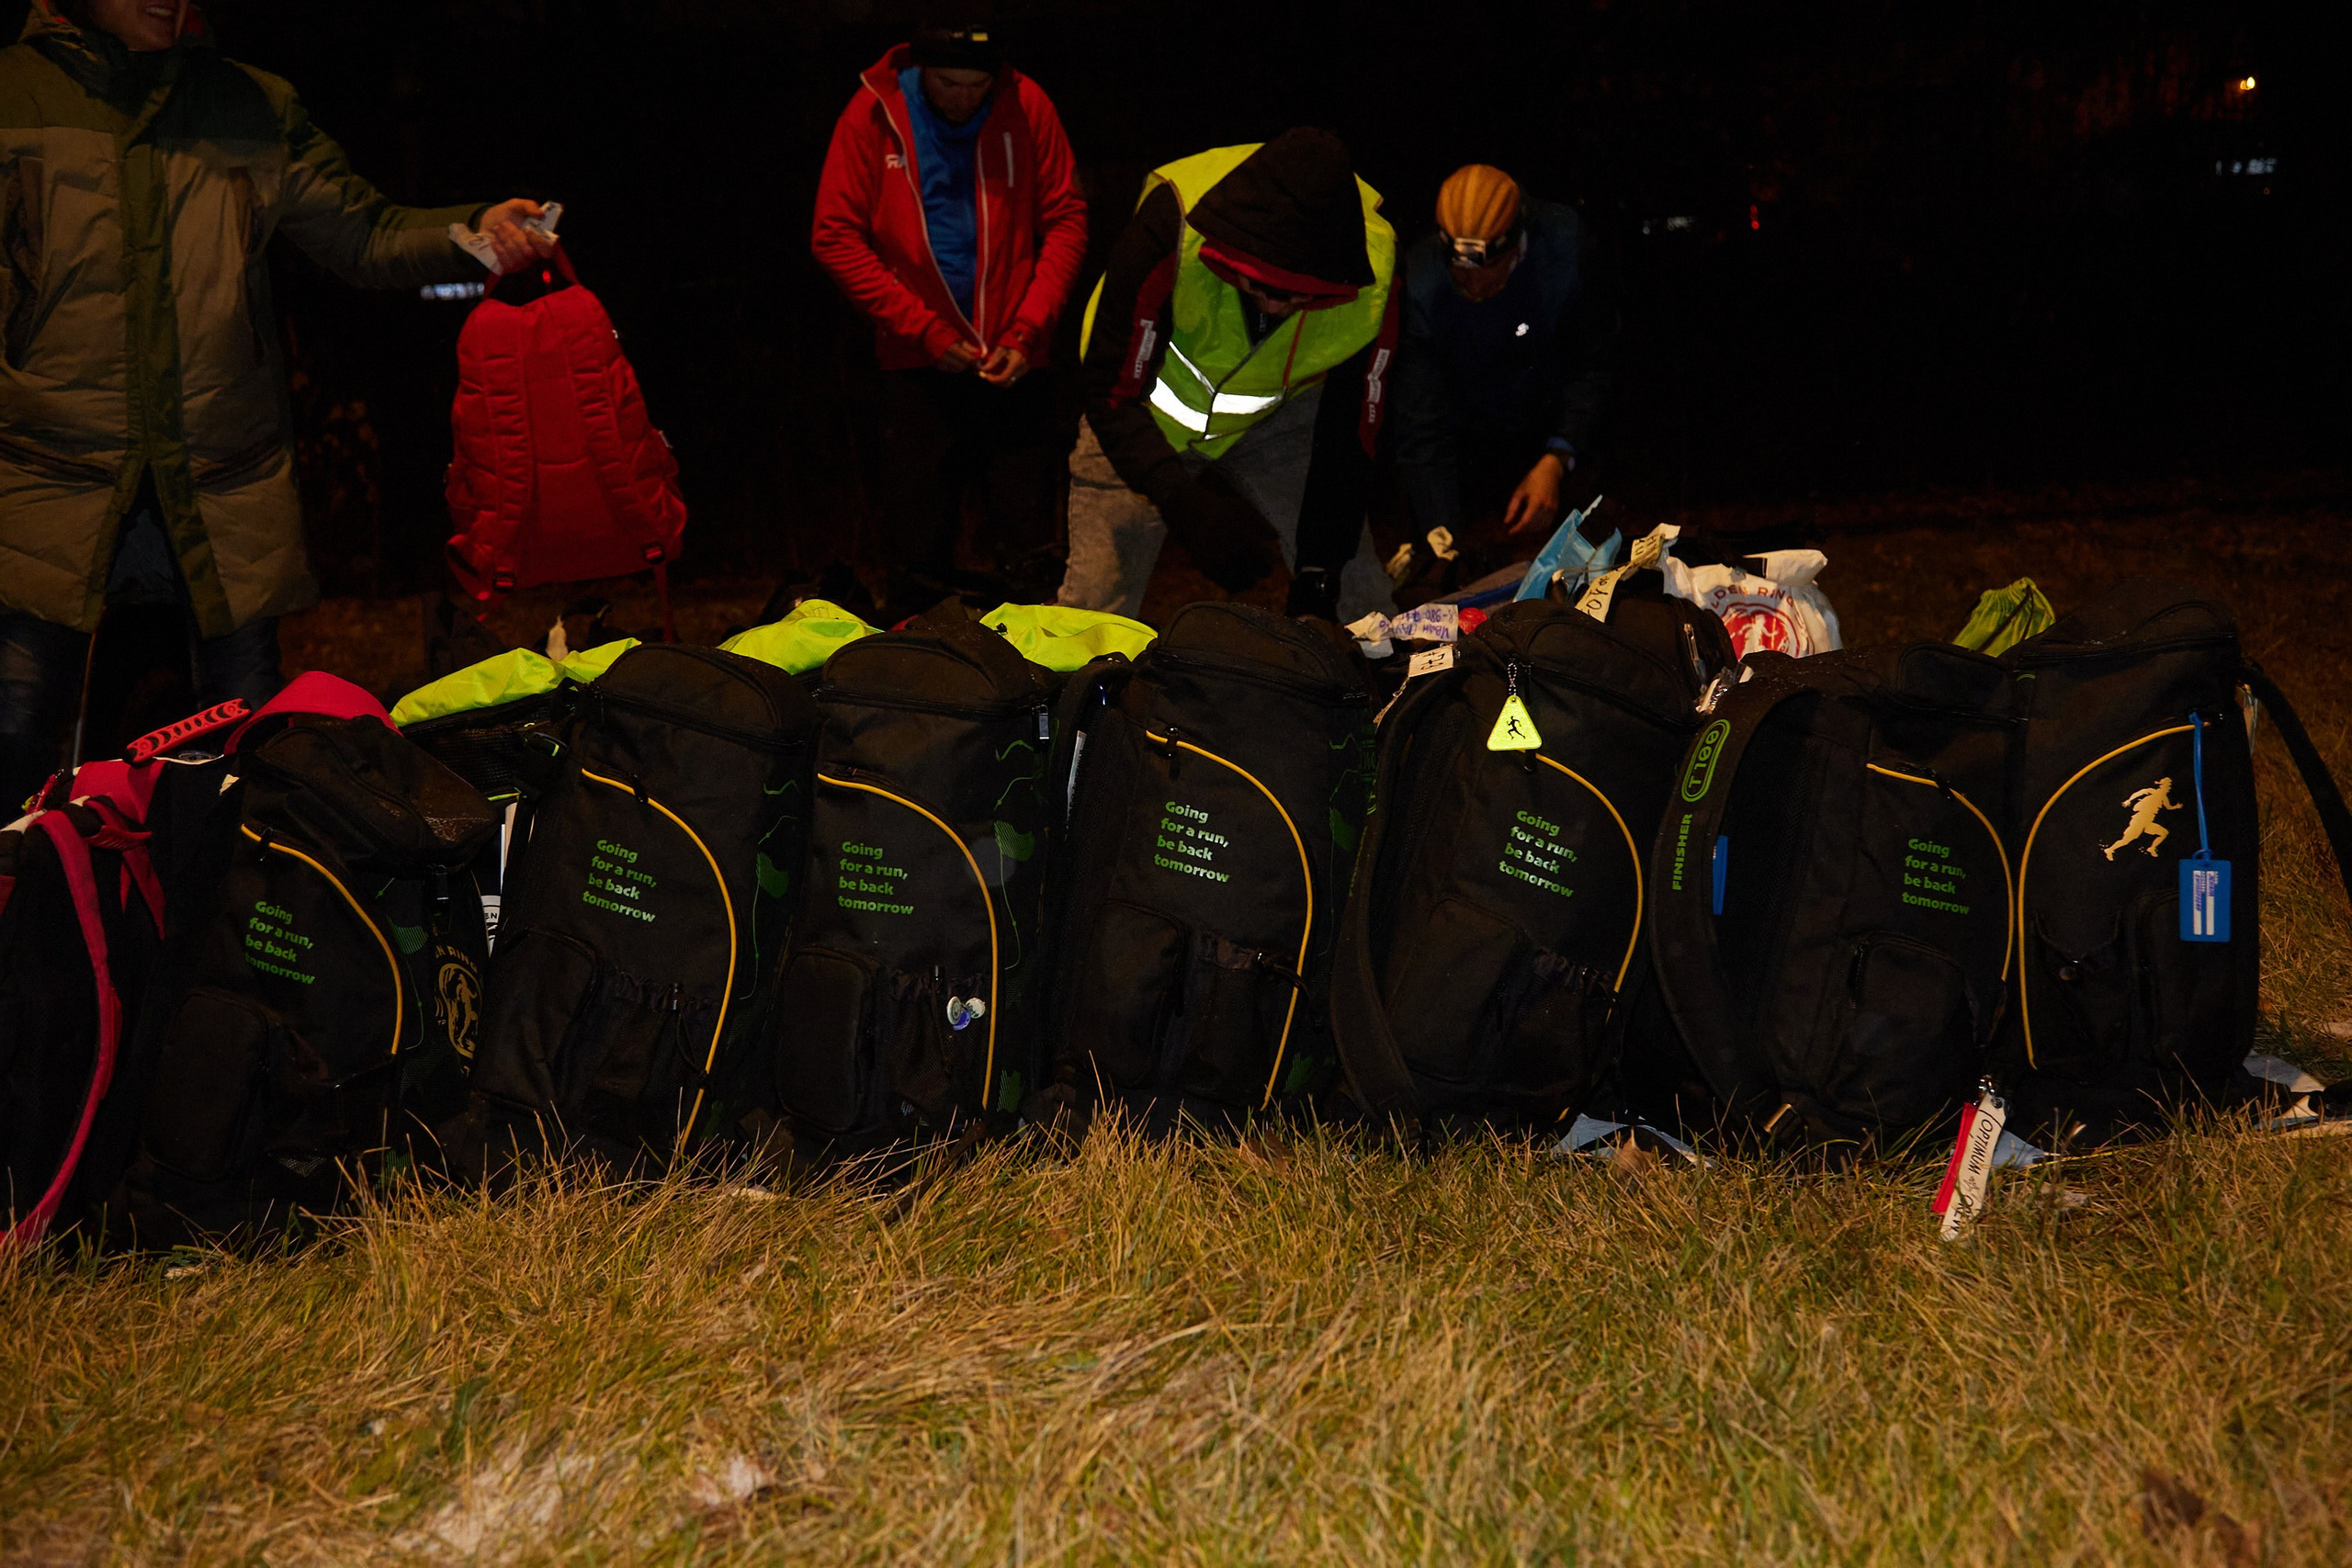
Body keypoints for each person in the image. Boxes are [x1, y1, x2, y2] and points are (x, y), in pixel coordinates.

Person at [0, 0, 555, 809]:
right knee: (15, 743)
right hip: (42, 478)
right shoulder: (14, 96)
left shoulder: (250, 105)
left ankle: (238, 925)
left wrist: (475, 231)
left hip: (226, 485)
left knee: (252, 756)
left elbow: (365, 235)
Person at [1057, 128, 1400, 625]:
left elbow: (1354, 435)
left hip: (1280, 419)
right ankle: (1076, 698)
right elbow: (1109, 391)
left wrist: (1317, 571)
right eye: (1261, 285)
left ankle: (1393, 693)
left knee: (1360, 592)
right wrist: (1187, 508)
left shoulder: (1377, 271)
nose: (1277, 305)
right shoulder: (1172, 222)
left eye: (1300, 294)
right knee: (1092, 604)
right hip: (1141, 415)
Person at [811, 21, 1088, 611]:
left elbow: (1066, 217)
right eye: (946, 82)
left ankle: (1036, 682)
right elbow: (833, 234)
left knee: (1030, 551)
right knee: (917, 553)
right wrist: (923, 330)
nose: (962, 97)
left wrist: (1030, 328)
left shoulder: (1027, 103)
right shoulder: (872, 111)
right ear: (919, 67)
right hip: (916, 366)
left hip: (1016, 362)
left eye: (976, 84)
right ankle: (921, 681)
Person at [1392, 164, 1617, 557]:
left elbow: (1593, 364)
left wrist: (1558, 456)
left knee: (1581, 554)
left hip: (1550, 409)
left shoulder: (1566, 252)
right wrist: (1439, 528)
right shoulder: (1421, 280)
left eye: (1489, 267)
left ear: (1516, 243)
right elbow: (1420, 414)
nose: (1475, 285)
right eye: (1459, 271)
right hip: (1469, 425)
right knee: (1438, 546)